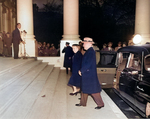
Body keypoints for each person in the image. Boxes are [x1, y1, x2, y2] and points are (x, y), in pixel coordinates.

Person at [76, 37, 104, 109]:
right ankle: (82, 103)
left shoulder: (91, 52)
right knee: (84, 89)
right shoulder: (89, 51)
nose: (83, 45)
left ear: (89, 43)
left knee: (93, 90)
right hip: (87, 73)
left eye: (84, 43)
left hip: (89, 74)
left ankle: (100, 104)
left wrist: (81, 70)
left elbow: (88, 64)